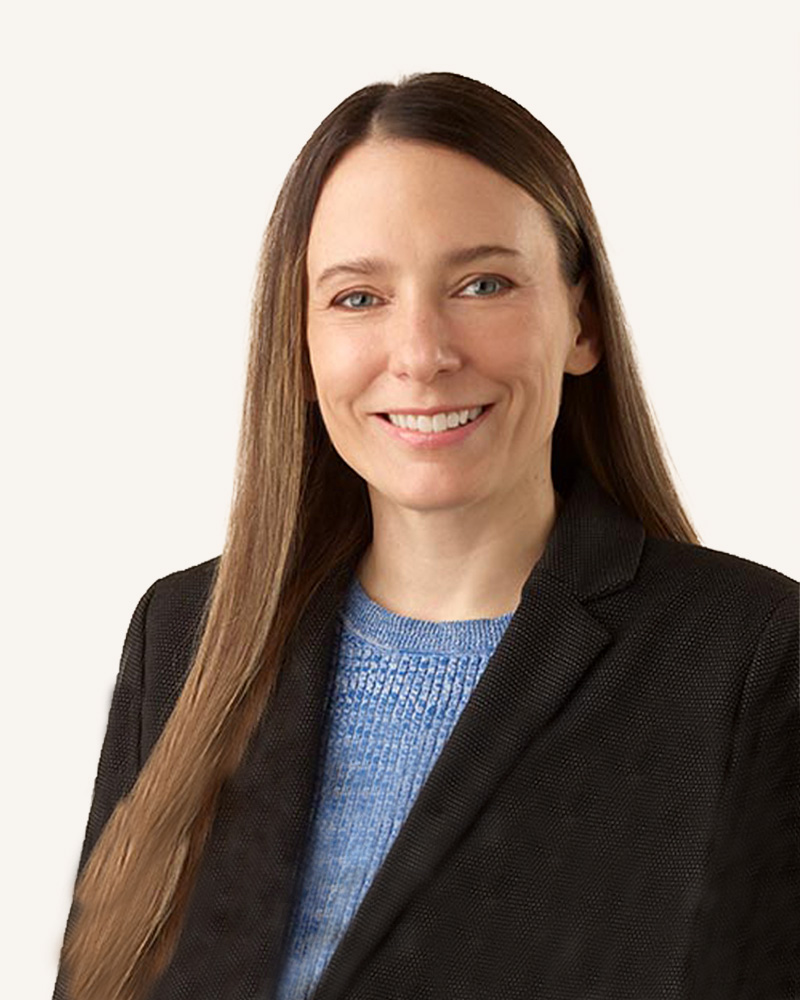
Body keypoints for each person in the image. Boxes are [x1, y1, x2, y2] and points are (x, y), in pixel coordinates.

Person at [53, 71, 799, 1000]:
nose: (421, 353)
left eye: (483, 283)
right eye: (358, 298)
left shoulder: (750, 657)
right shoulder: (183, 634)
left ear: (583, 321)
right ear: (302, 343)